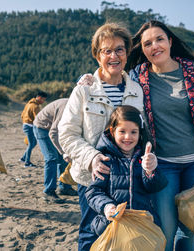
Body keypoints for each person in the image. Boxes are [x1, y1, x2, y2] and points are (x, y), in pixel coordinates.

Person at [127, 20, 194, 251]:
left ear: (170, 41)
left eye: (159, 39)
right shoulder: (136, 78)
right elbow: (111, 82)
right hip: (162, 165)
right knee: (165, 228)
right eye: (147, 43)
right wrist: (89, 80)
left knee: (190, 230)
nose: (155, 46)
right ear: (142, 50)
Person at [58, 23, 144, 251]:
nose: (114, 56)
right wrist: (92, 158)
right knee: (92, 235)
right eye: (107, 51)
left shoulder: (137, 91)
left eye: (119, 49)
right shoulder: (84, 91)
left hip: (129, 181)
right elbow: (66, 133)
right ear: (97, 56)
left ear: (127, 53)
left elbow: (143, 133)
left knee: (124, 240)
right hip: (91, 179)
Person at [85, 105, 167, 236]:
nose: (128, 137)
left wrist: (151, 170)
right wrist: (107, 206)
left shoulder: (145, 158)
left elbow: (156, 187)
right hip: (112, 225)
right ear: (112, 131)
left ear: (140, 132)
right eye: (122, 131)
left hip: (141, 225)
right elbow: (93, 192)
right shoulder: (106, 159)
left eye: (133, 132)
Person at [33, 98, 78, 203]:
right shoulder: (67, 108)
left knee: (63, 160)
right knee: (51, 158)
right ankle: (48, 191)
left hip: (55, 130)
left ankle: (64, 187)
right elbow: (53, 132)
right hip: (42, 128)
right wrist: (63, 152)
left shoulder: (79, 108)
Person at [19, 91, 47, 167]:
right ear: (39, 98)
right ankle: (27, 162)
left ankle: (23, 158)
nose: (43, 102)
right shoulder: (35, 107)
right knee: (32, 144)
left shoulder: (29, 104)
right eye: (43, 100)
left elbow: (22, 115)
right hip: (30, 126)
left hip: (25, 125)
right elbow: (38, 119)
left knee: (33, 143)